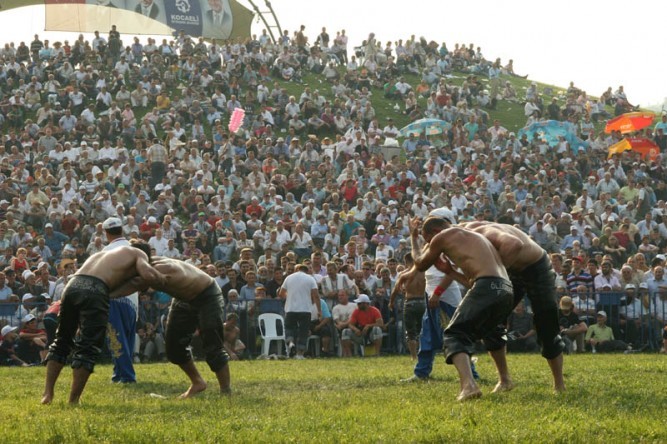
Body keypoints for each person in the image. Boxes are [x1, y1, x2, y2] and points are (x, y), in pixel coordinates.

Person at [42, 245, 166, 404]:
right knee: (88, 346)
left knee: (62, 339)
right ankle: (73, 400)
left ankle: (47, 394)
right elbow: (148, 275)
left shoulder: (105, 255)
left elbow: (122, 288)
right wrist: (162, 278)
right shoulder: (138, 253)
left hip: (72, 285)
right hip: (96, 288)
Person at [410, 217, 514, 401]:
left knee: (453, 334)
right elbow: (472, 282)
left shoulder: (444, 235)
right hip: (505, 288)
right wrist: (450, 271)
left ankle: (468, 386)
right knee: (493, 332)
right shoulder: (473, 237)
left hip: (488, 285)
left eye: (429, 241)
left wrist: (414, 237)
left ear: (435, 233)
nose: (431, 246)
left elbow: (420, 263)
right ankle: (505, 380)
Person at [113, 243, 231, 398]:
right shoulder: (146, 264)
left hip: (207, 294)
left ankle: (225, 391)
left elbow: (134, 285)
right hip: (183, 298)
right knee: (174, 347)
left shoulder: (158, 269)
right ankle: (198, 382)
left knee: (212, 342)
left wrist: (106, 293)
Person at [460, 221, 566, 391]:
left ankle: (559, 384)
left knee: (547, 324)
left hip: (536, 266)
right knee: (492, 320)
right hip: (510, 269)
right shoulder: (460, 239)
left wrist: (499, 273)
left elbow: (514, 244)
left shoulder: (478, 232)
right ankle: (504, 380)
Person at [102, 217, 138, 384]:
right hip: (133, 299)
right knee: (127, 338)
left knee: (116, 337)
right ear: (122, 230)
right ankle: (118, 373)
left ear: (106, 233)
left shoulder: (106, 251)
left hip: (114, 298)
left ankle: (127, 376)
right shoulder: (134, 248)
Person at [279, 264, 320, 360]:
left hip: (290, 309)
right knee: (303, 331)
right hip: (305, 309)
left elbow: (281, 293)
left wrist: (289, 297)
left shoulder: (289, 278)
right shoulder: (310, 279)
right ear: (307, 271)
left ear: (297, 269)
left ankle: (290, 342)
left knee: (289, 328)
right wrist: (319, 310)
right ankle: (300, 354)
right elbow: (316, 296)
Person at [389, 253, 425, 360]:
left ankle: (414, 356)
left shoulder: (404, 274)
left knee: (410, 332)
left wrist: (391, 302)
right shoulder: (424, 273)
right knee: (422, 330)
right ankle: (423, 353)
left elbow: (395, 290)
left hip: (410, 302)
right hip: (423, 302)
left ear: (405, 262)